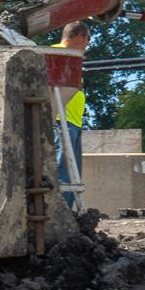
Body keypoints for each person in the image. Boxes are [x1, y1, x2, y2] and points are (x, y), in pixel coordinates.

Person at [54, 20, 93, 210]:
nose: (88, 44)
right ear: (80, 36)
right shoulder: (56, 54)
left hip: (72, 122)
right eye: (88, 39)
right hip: (60, 121)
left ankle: (67, 212)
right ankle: (60, 211)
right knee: (63, 170)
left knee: (71, 172)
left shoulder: (70, 57)